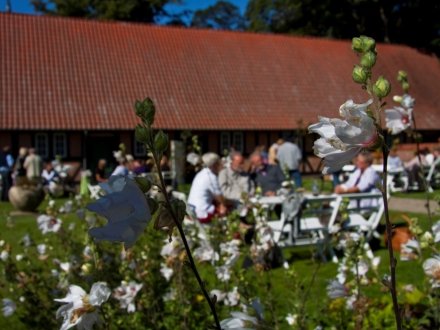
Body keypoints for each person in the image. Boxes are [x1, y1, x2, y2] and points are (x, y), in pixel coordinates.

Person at [187, 152, 229, 223]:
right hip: (201, 213)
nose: (221, 165)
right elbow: (221, 199)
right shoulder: (211, 177)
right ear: (215, 165)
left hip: (192, 209)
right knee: (227, 210)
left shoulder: (201, 173)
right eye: (219, 163)